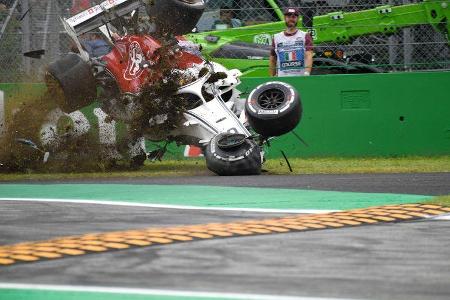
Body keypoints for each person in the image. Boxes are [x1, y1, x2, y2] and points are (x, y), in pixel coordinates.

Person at [269, 7, 313, 77]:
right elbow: (272, 59)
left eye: (294, 16)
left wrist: (306, 74)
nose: (291, 19)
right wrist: (271, 77)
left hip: (300, 78)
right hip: (282, 79)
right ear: (284, 18)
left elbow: (309, 56)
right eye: (288, 16)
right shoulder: (276, 37)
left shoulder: (305, 35)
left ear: (298, 18)